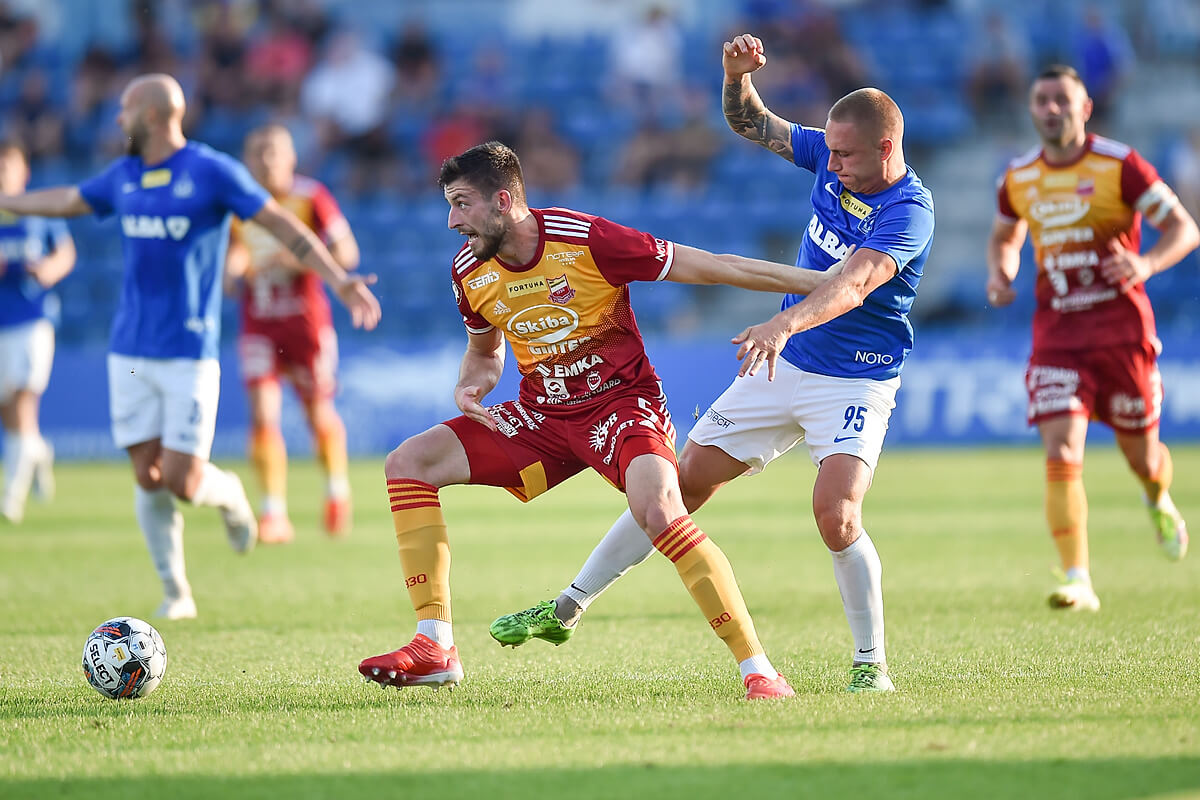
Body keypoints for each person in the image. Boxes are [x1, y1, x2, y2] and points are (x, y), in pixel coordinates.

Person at [490, 33, 935, 694]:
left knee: (836, 514)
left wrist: (782, 321)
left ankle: (872, 664)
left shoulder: (909, 212)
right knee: (679, 485)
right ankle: (567, 607)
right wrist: (735, 79)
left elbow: (853, 285)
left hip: (855, 377)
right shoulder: (830, 154)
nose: (830, 163)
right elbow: (751, 123)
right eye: (830, 151)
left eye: (843, 155)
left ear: (885, 149)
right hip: (781, 364)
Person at [357, 140, 845, 700]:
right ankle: (434, 644)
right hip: (542, 415)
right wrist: (473, 383)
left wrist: (827, 284)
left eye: (462, 203)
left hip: (620, 405)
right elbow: (486, 353)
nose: (452, 220)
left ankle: (759, 671)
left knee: (662, 512)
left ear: (505, 199)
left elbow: (716, 266)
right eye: (450, 204)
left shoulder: (585, 239)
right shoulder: (469, 271)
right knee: (408, 463)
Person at [0, 74, 381, 619]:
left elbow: (281, 224)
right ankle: (175, 590)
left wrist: (338, 278)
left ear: (153, 116)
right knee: (145, 475)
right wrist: (7, 201)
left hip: (189, 352)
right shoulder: (126, 174)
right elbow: (67, 199)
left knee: (181, 479)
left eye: (125, 109)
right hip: (129, 352)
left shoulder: (211, 171)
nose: (116, 119)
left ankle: (230, 498)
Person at [986, 65, 1198, 611]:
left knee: (1144, 458)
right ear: (1031, 109)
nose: (1051, 109)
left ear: (1085, 109)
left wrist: (1146, 262)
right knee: (1061, 451)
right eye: (1041, 100)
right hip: (1057, 339)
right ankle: (1079, 578)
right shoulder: (1019, 177)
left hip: (1122, 335)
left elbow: (1184, 229)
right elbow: (1005, 235)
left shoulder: (1120, 166)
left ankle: (1159, 499)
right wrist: (1002, 271)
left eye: (1062, 100)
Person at [225, 124, 359, 543]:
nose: (266, 160)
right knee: (263, 414)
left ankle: (337, 490)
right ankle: (273, 512)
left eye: (273, 151)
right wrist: (235, 270)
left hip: (307, 325)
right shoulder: (236, 206)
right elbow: (231, 265)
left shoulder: (311, 197)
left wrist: (295, 259)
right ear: (247, 160)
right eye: (257, 152)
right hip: (260, 324)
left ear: (291, 157)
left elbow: (346, 252)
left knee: (318, 413)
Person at [0, 142, 76, 523]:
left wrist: (48, 269)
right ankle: (39, 454)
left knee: (23, 402)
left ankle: (10, 498)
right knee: (10, 413)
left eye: (6, 166)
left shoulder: (37, 211)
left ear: (23, 172)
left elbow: (65, 252)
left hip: (33, 320)